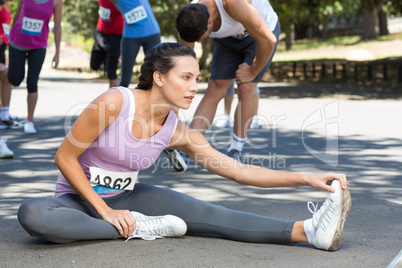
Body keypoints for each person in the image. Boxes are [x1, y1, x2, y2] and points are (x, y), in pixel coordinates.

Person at [17, 43, 351, 251]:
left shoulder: (177, 130)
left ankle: (306, 232)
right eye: (186, 77)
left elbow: (239, 171)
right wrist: (106, 212)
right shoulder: (114, 103)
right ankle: (137, 228)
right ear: (159, 77)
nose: (195, 87)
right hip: (77, 201)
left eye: (197, 78)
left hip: (130, 197)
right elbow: (65, 156)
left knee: (213, 215)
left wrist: (307, 178)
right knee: (32, 214)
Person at [171, 0, 280, 168]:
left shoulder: (232, 3)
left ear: (209, 22)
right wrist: (173, 107)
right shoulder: (189, 18)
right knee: (214, 89)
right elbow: (184, 67)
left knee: (246, 87)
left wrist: (252, 71)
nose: (198, 42)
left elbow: (269, 40)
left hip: (260, 35)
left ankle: (236, 149)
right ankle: (188, 148)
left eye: (201, 38)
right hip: (228, 39)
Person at [7, 0, 62, 134]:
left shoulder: (56, 2)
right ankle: (4, 112)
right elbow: (17, 15)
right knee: (14, 79)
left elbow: (57, 27)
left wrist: (57, 52)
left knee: (32, 82)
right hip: (17, 42)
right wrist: (8, 38)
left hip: (38, 46)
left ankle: (29, 121)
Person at [110, 0, 161, 87]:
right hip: (130, 35)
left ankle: (152, 99)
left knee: (154, 73)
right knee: (124, 79)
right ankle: (120, 99)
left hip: (152, 32)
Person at [90, 0, 124, 88]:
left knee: (111, 71)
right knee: (94, 65)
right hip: (101, 32)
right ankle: (107, 58)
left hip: (117, 34)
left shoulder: (120, 2)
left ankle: (113, 96)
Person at [0, 0, 20, 129]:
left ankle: (4, 114)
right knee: (7, 77)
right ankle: (4, 115)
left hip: (3, 47)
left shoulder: (6, 5)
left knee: (5, 79)